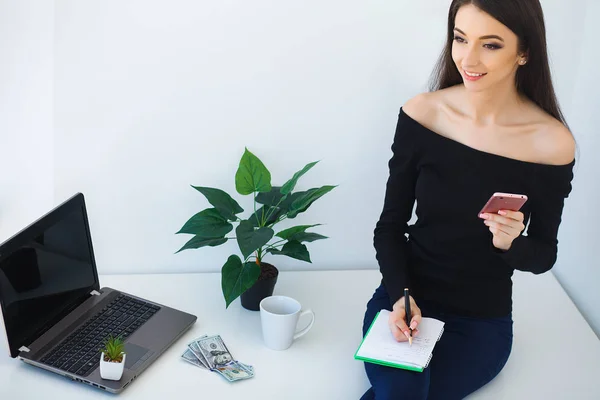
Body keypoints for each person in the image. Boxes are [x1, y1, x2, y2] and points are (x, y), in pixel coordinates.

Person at [361, 1, 576, 399]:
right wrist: (401, 296)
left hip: (481, 322)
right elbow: (388, 228)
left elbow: (544, 254)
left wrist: (509, 243)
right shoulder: (422, 114)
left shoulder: (552, 144)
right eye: (460, 39)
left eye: (491, 45)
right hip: (404, 302)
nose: (468, 58)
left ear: (524, 51)